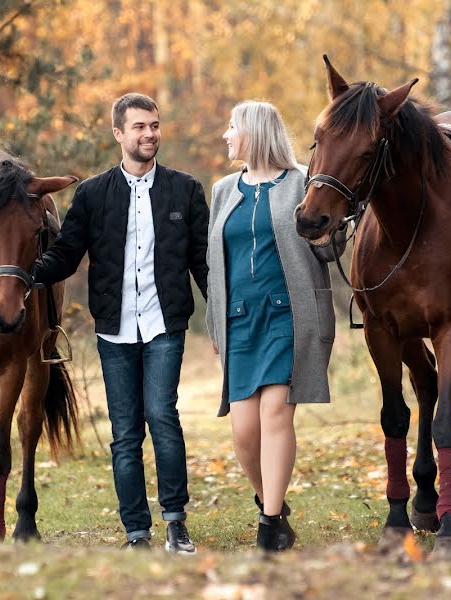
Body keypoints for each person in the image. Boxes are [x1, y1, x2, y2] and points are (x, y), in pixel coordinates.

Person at [33, 93, 209, 553]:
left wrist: (227, 320)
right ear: (118, 134)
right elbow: (66, 254)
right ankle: (137, 533)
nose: (150, 134)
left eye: (155, 125)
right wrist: (24, 276)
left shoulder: (185, 190)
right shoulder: (92, 195)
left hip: (164, 325)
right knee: (126, 433)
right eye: (139, 127)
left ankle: (175, 522)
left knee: (162, 417)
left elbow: (202, 262)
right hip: (113, 329)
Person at [205, 101, 342, 551]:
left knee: (275, 415)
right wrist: (214, 325)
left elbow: (326, 245)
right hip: (239, 320)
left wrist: (333, 231)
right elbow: (213, 265)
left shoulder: (303, 182)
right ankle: (274, 506)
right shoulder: (224, 190)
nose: (226, 135)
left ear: (254, 133)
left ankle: (268, 528)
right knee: (243, 431)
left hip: (288, 314)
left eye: (232, 127)